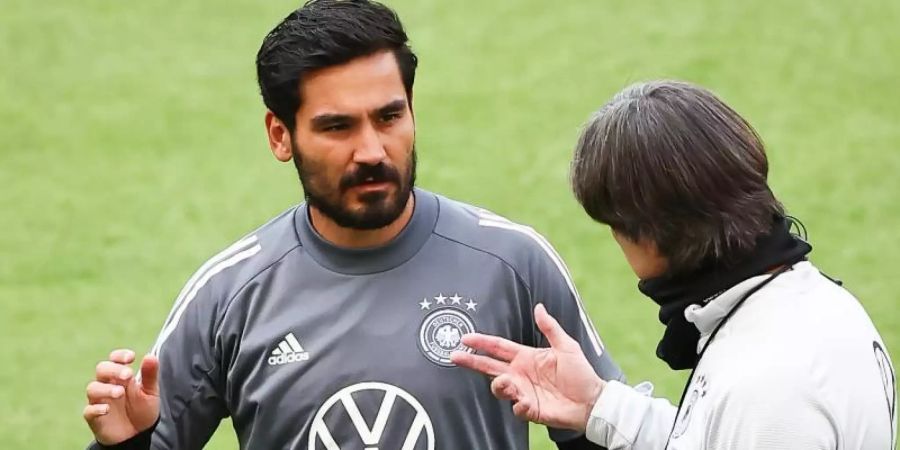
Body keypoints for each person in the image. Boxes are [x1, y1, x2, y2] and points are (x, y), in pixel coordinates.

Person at [81, 1, 624, 449]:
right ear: (280, 135)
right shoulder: (229, 294)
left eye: (389, 117)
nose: (371, 151)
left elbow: (608, 434)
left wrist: (601, 415)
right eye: (337, 126)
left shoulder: (513, 264)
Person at [452, 80, 897, 449]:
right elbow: (716, 437)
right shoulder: (813, 305)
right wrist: (598, 405)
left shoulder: (767, 384)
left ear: (648, 235)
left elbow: (747, 420)